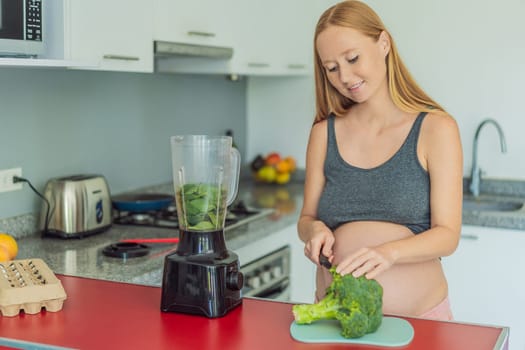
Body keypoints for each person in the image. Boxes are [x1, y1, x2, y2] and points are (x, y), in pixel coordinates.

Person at [298, 0, 463, 321]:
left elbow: (448, 235)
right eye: (331, 68)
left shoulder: (436, 128)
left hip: (420, 324)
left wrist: (388, 253)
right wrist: (314, 229)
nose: (344, 76)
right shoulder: (322, 132)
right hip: (332, 320)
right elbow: (306, 218)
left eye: (352, 58)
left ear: (383, 44)